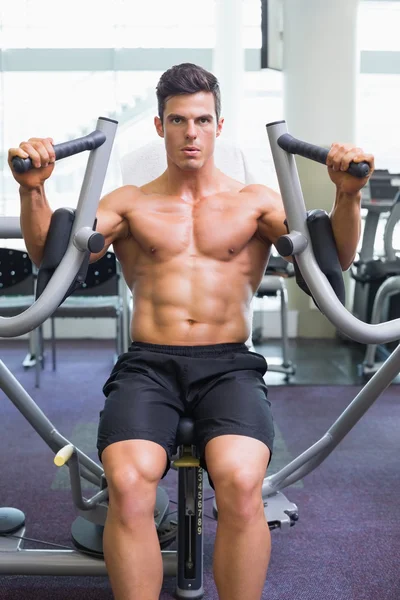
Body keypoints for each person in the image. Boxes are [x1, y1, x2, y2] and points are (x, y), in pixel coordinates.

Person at [8, 62, 374, 600]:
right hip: (148, 365)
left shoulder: (255, 202)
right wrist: (32, 191)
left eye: (202, 120)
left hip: (228, 364)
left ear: (219, 127)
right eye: (178, 120)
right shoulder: (128, 203)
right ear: (160, 126)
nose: (191, 132)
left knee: (242, 483)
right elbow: (49, 255)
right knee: (129, 485)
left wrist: (348, 196)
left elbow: (332, 257)